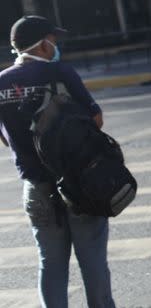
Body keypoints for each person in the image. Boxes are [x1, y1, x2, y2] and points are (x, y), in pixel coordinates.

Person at [0, 16, 116, 307]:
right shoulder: (60, 72)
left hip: (36, 188)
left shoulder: (0, 82)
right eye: (53, 40)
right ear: (42, 45)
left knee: (49, 264)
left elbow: (4, 137)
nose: (56, 46)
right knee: (93, 262)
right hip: (79, 182)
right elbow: (96, 119)